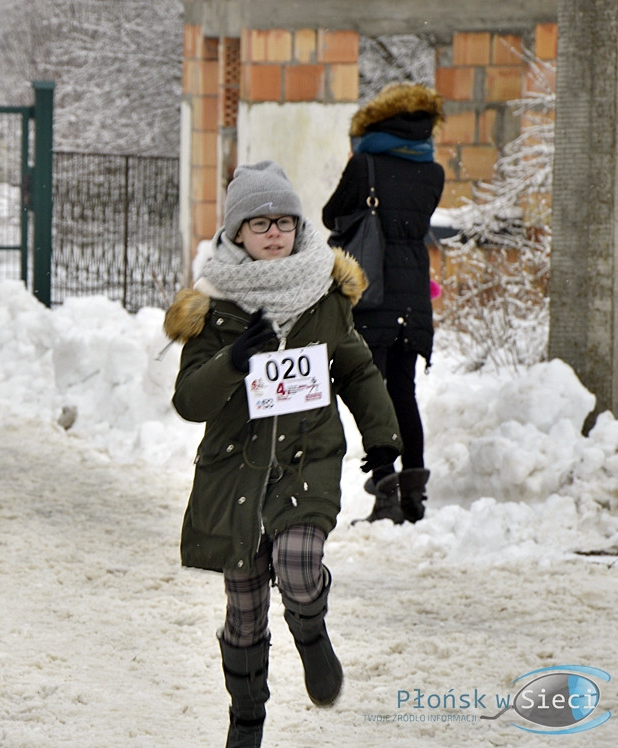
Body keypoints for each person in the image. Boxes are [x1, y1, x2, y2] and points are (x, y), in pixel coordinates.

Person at [163, 161, 400, 747]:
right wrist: (233, 360)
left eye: (285, 222)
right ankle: (246, 721)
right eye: (260, 223)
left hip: (306, 459)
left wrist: (383, 443)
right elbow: (189, 401)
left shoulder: (325, 294)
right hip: (235, 470)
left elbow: (357, 370)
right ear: (237, 232)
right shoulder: (212, 307)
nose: (275, 233)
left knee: (297, 563)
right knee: (244, 611)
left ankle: (311, 631)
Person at [322, 82, 445, 524]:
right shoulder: (433, 171)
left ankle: (387, 495)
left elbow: (331, 215)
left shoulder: (366, 164)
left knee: (372, 396)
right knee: (403, 392)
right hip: (413, 298)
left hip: (372, 293)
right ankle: (414, 498)